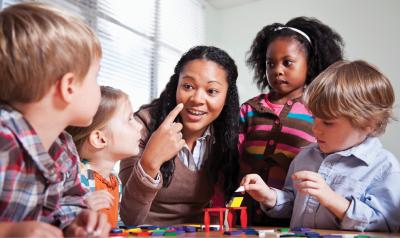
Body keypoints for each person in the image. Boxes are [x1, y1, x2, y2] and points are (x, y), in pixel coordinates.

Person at [241, 60, 400, 232]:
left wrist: (331, 199)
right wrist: (269, 196)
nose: (315, 128)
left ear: (369, 124)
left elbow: (386, 224)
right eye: (314, 118)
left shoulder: (384, 167)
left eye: (328, 123)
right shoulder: (305, 157)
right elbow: (293, 204)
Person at [0, 2, 110, 237]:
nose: (98, 88)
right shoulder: (3, 141)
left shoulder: (64, 148)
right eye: (95, 76)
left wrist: (78, 223)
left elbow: (69, 204)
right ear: (69, 86)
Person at [240, 16, 344, 225]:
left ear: (310, 64)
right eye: (270, 63)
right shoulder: (249, 109)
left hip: (293, 215)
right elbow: (231, 157)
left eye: (288, 62)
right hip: (243, 211)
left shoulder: (319, 112)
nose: (277, 70)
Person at [119, 46, 240, 225]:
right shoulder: (141, 126)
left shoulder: (226, 134)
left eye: (212, 91)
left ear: (226, 97)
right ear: (176, 85)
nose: (197, 99)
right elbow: (130, 218)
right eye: (188, 86)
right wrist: (150, 162)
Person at [67, 86, 142, 228]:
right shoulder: (76, 178)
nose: (139, 126)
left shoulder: (114, 180)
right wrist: (81, 211)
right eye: (129, 119)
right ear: (99, 139)